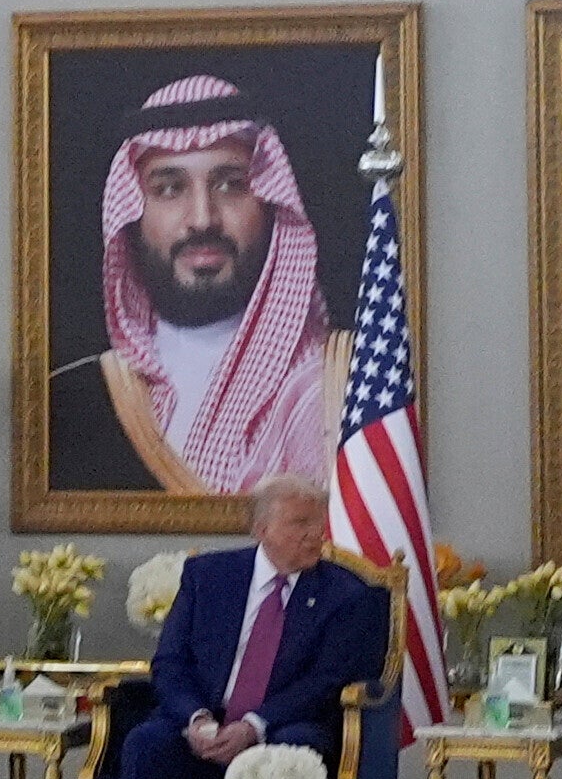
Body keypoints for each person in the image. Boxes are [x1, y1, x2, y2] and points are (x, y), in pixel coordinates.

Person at [116, 473, 389, 779]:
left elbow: (326, 681)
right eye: (299, 524)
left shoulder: (345, 595)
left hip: (284, 723)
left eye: (318, 524)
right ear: (260, 528)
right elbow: (170, 663)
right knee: (144, 745)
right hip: (203, 721)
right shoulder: (208, 577)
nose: (315, 535)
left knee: (298, 752)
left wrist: (255, 726)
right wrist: (198, 720)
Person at [45, 72, 357, 496]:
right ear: (132, 215)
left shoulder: (342, 385)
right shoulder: (75, 399)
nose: (203, 218)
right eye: (170, 188)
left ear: (269, 202)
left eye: (230, 185)